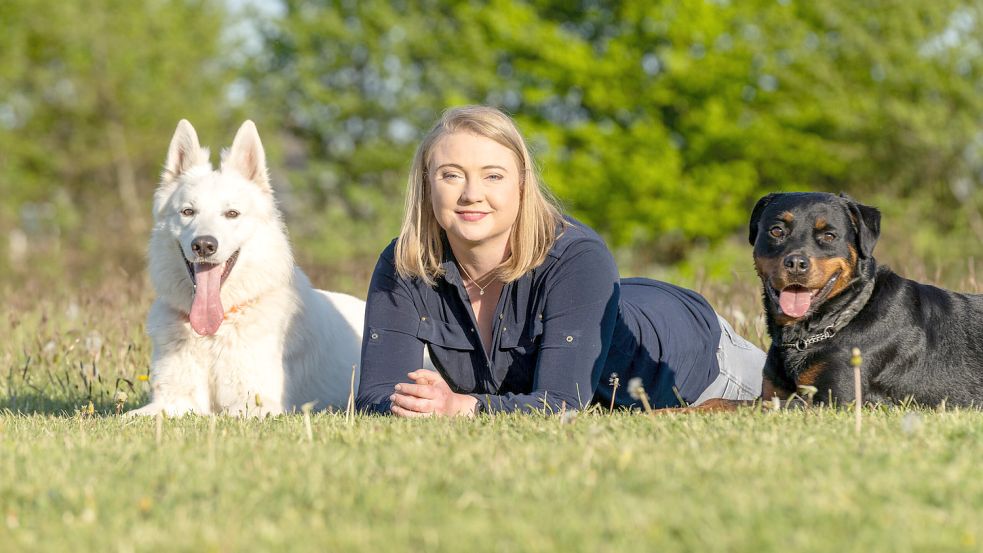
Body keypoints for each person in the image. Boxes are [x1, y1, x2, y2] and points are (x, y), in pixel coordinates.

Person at [356, 106, 764, 416]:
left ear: (521, 185)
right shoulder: (405, 263)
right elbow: (376, 396)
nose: (471, 194)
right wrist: (414, 406)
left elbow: (562, 406)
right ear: (427, 185)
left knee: (807, 403)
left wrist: (462, 408)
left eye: (493, 176)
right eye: (451, 175)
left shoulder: (574, 256)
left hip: (700, 365)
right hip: (614, 301)